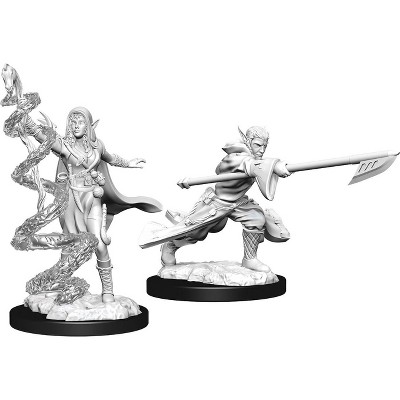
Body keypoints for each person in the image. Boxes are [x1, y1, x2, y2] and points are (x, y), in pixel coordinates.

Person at [27, 106, 162, 302]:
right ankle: (60, 285)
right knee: (68, 245)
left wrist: (128, 163)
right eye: (72, 122)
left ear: (89, 125)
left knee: (99, 244)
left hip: (92, 199)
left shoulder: (97, 146)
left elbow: (110, 158)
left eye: (80, 122)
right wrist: (26, 118)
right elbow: (41, 136)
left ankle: (108, 290)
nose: (76, 126)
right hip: (72, 202)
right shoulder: (64, 146)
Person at [153, 126, 291, 283]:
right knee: (198, 232)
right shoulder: (236, 158)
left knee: (256, 218)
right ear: (248, 142)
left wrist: (277, 167)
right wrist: (275, 166)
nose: (262, 150)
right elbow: (253, 165)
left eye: (264, 146)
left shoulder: (254, 160)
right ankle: (171, 245)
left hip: (238, 201)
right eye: (258, 145)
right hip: (219, 202)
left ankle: (250, 258)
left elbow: (260, 167)